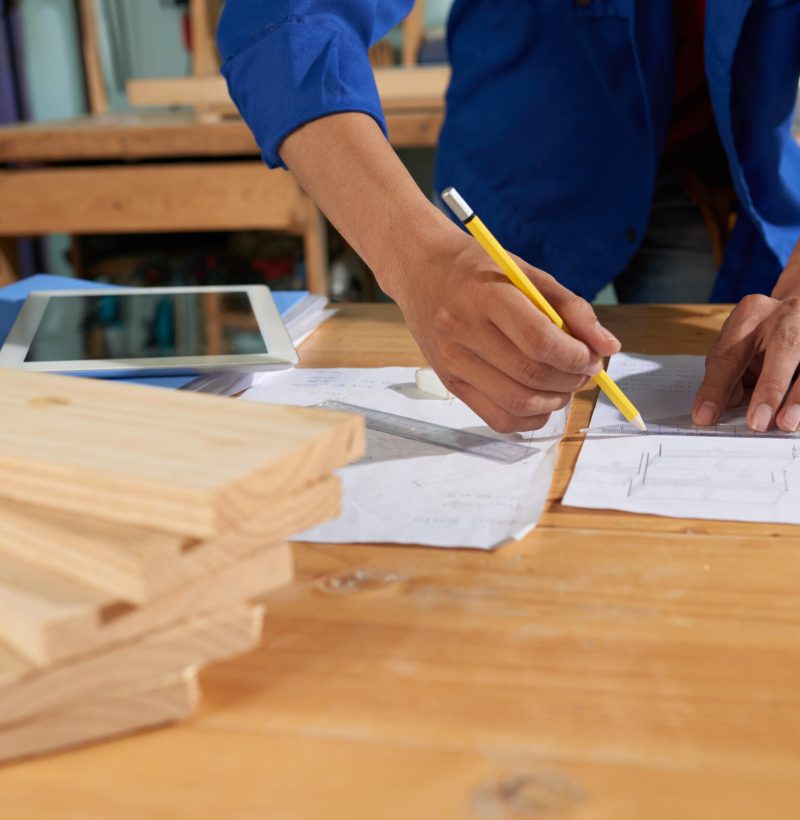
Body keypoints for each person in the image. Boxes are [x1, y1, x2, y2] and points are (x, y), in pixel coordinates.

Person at [216, 1, 800, 434]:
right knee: (490, 373)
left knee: (738, 383)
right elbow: (284, 22)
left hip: (720, 180)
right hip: (519, 182)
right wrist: (417, 258)